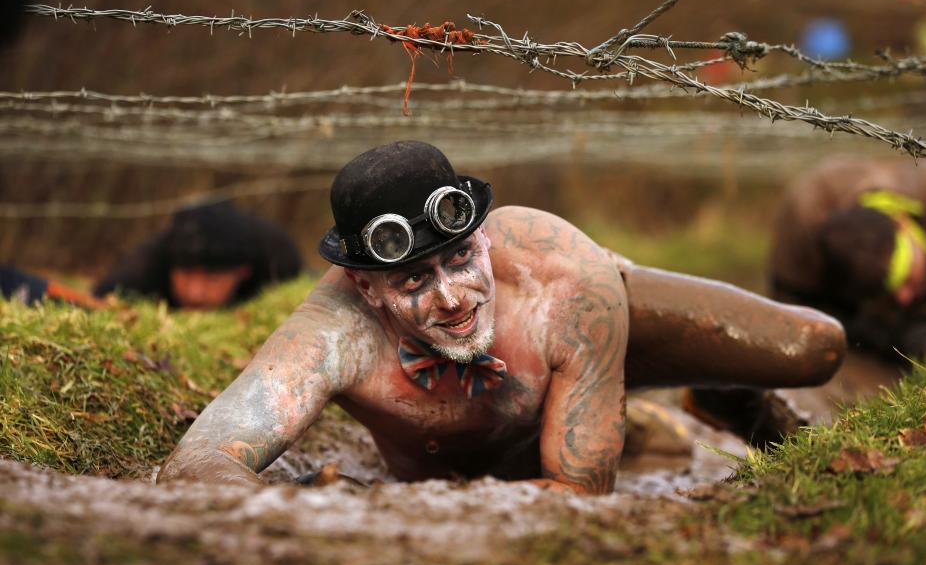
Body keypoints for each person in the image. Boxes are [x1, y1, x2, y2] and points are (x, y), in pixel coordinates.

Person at [157, 141, 844, 494]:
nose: (452, 297)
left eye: (459, 260)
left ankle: (711, 388)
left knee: (812, 347)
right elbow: (200, 460)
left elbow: (581, 493)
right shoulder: (333, 331)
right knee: (583, 446)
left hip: (599, 322)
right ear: (367, 290)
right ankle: (639, 421)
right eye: (414, 281)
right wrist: (286, 508)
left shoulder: (564, 281)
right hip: (488, 442)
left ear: (482, 239)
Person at [769, 156, 926, 362]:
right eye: (885, 290)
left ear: (902, 224)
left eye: (904, 277)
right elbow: (790, 308)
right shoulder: (804, 220)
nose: (903, 297)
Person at [94, 201, 303, 309]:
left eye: (212, 278)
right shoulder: (146, 265)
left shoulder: (278, 258)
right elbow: (103, 296)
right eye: (186, 275)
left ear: (243, 272)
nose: (195, 293)